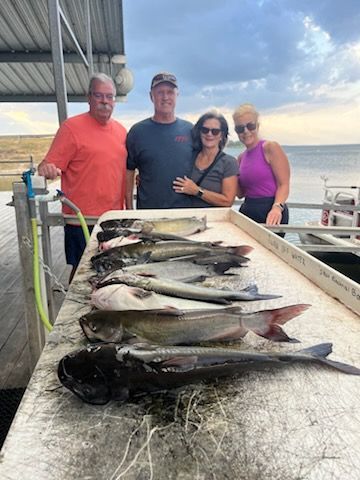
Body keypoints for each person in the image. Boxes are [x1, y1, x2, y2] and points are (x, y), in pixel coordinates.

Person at [38, 73, 127, 282]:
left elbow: (121, 169)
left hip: (112, 219)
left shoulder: (121, 131)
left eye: (110, 97)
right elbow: (47, 166)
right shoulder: (71, 128)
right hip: (80, 219)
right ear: (89, 97)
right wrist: (46, 169)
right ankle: (74, 312)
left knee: (112, 270)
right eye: (99, 95)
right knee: (81, 271)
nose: (105, 102)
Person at [126, 72, 193, 209]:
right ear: (151, 96)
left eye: (170, 92)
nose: (165, 97)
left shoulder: (191, 131)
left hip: (184, 213)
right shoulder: (137, 132)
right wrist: (129, 211)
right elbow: (129, 173)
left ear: (177, 95)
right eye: (160, 92)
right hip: (148, 215)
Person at [233, 103, 290, 232]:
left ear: (257, 126)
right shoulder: (240, 158)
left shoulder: (270, 147)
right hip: (248, 210)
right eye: (240, 128)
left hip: (271, 211)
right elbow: (240, 194)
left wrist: (277, 208)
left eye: (250, 126)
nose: (246, 131)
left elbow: (284, 184)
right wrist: (228, 172)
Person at [173, 110, 238, 207]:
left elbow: (228, 201)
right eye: (205, 130)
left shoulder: (228, 162)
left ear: (221, 135)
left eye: (215, 131)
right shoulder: (189, 157)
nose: (209, 134)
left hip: (214, 219)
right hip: (187, 216)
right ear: (199, 132)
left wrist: (197, 191)